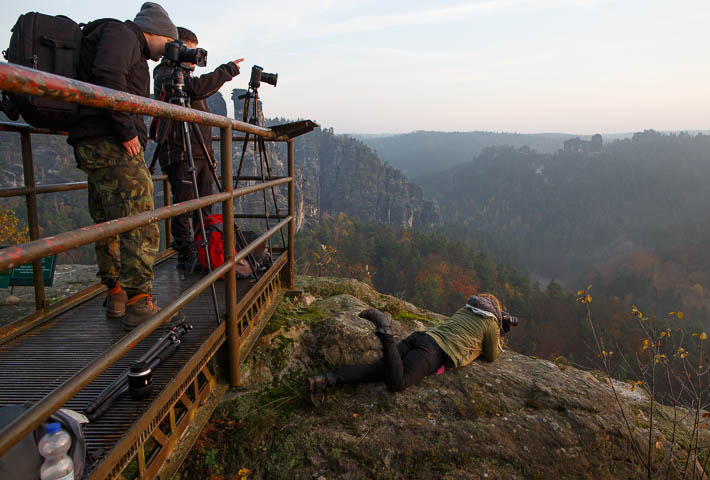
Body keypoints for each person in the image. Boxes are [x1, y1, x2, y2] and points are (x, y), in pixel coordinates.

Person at [67, 2, 181, 330]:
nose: (167, 50)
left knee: (108, 221)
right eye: (167, 42)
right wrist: (126, 129)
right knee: (141, 218)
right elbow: (107, 75)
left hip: (93, 141)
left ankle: (116, 293)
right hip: (111, 143)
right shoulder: (122, 34)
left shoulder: (115, 36)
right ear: (154, 32)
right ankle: (138, 301)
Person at [307, 293, 517, 406]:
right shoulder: (490, 324)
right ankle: (384, 331)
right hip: (434, 351)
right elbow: (491, 356)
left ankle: (325, 380)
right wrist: (501, 330)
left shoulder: (467, 308)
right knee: (397, 382)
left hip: (421, 337)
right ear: (496, 313)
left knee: (379, 369)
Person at [152, 27, 244, 271]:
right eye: (188, 51)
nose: (192, 58)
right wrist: (226, 72)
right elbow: (195, 89)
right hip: (179, 150)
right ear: (175, 49)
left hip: (200, 151)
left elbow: (202, 121)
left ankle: (205, 249)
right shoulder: (165, 73)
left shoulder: (187, 79)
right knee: (184, 205)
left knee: (205, 205)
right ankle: (186, 252)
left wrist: (210, 155)